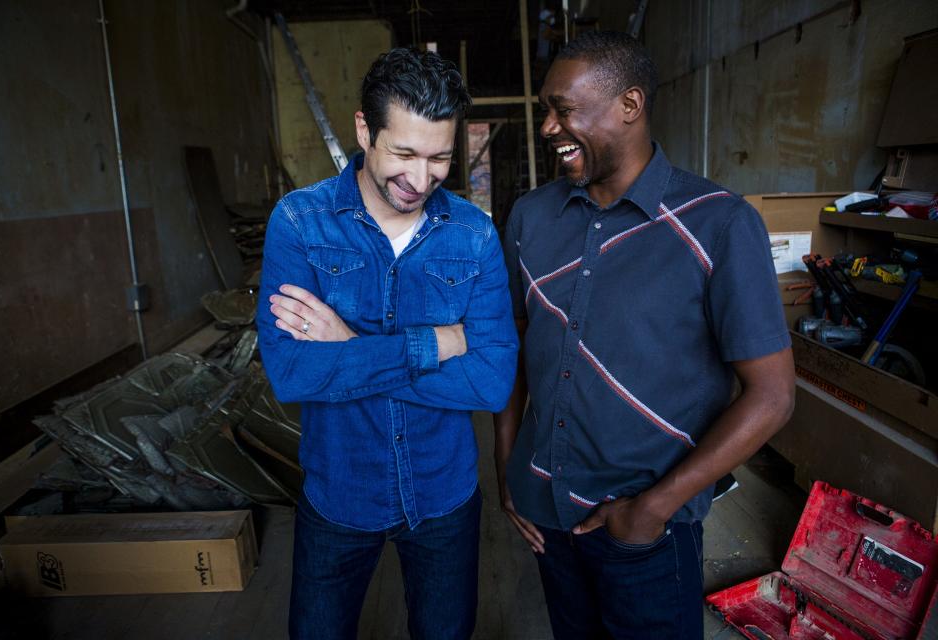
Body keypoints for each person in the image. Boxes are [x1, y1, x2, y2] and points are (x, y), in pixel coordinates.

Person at [494, 31, 795, 638]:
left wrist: (653, 508)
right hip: (546, 516)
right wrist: (508, 470)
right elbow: (515, 350)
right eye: (545, 112)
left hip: (644, 533)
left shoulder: (719, 224)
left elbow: (772, 397)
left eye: (564, 109)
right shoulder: (530, 217)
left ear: (629, 105)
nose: (549, 128)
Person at [257, 48, 518, 640]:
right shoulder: (300, 224)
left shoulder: (474, 235)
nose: (421, 179)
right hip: (338, 495)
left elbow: (492, 380)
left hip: (444, 497)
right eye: (404, 153)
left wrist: (348, 342)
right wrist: (434, 344)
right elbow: (293, 372)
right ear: (363, 131)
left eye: (439, 158)